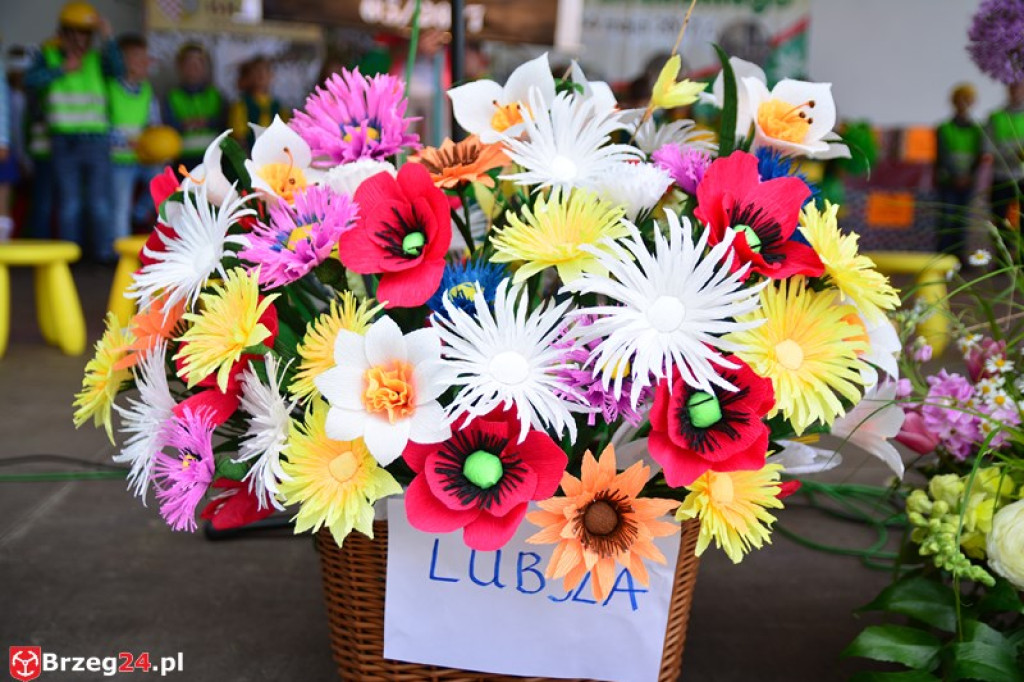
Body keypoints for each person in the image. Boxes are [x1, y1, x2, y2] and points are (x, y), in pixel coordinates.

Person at [25, 1, 122, 260]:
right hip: (63, 141)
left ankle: (102, 255)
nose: (81, 39)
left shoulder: (97, 59)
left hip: (96, 140)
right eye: (75, 32)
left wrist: (108, 37)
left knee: (99, 203)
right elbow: (29, 81)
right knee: (70, 204)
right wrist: (60, 69)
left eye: (86, 33)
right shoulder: (48, 57)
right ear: (63, 33)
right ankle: (72, 256)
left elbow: (119, 71)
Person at [106, 34, 160, 259]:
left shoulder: (147, 90)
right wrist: (124, 140)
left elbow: (154, 123)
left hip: (144, 158)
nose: (144, 62)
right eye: (137, 57)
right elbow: (103, 124)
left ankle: (139, 215)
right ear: (123, 61)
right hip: (119, 159)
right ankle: (122, 258)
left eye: (145, 57)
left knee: (160, 184)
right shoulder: (110, 88)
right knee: (119, 209)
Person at [935, 84, 983, 264]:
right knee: (946, 219)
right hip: (948, 182)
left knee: (962, 221)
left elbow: (979, 156)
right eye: (960, 99)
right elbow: (942, 156)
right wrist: (956, 176)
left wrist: (968, 176)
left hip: (968, 183)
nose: (963, 103)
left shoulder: (977, 130)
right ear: (953, 102)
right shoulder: (944, 128)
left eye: (967, 99)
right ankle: (942, 258)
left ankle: (958, 259)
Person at [164, 43, 224, 170]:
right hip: (182, 160)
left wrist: (206, 122)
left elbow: (224, 123)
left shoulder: (215, 95)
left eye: (198, 63)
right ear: (180, 67)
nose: (194, 68)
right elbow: (167, 125)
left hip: (212, 159)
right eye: (189, 64)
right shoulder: (172, 96)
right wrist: (184, 125)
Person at [984, 80, 1024, 228]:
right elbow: (987, 148)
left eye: (1019, 87)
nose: (1016, 91)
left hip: (1022, 177)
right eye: (1013, 87)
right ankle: (1002, 251)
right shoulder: (995, 117)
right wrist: (1013, 156)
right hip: (1001, 176)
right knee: (999, 220)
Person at [229, 56, 283, 152]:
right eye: (256, 71)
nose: (261, 75)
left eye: (265, 71)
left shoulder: (279, 107)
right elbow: (239, 138)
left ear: (271, 76)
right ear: (248, 77)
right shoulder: (241, 106)